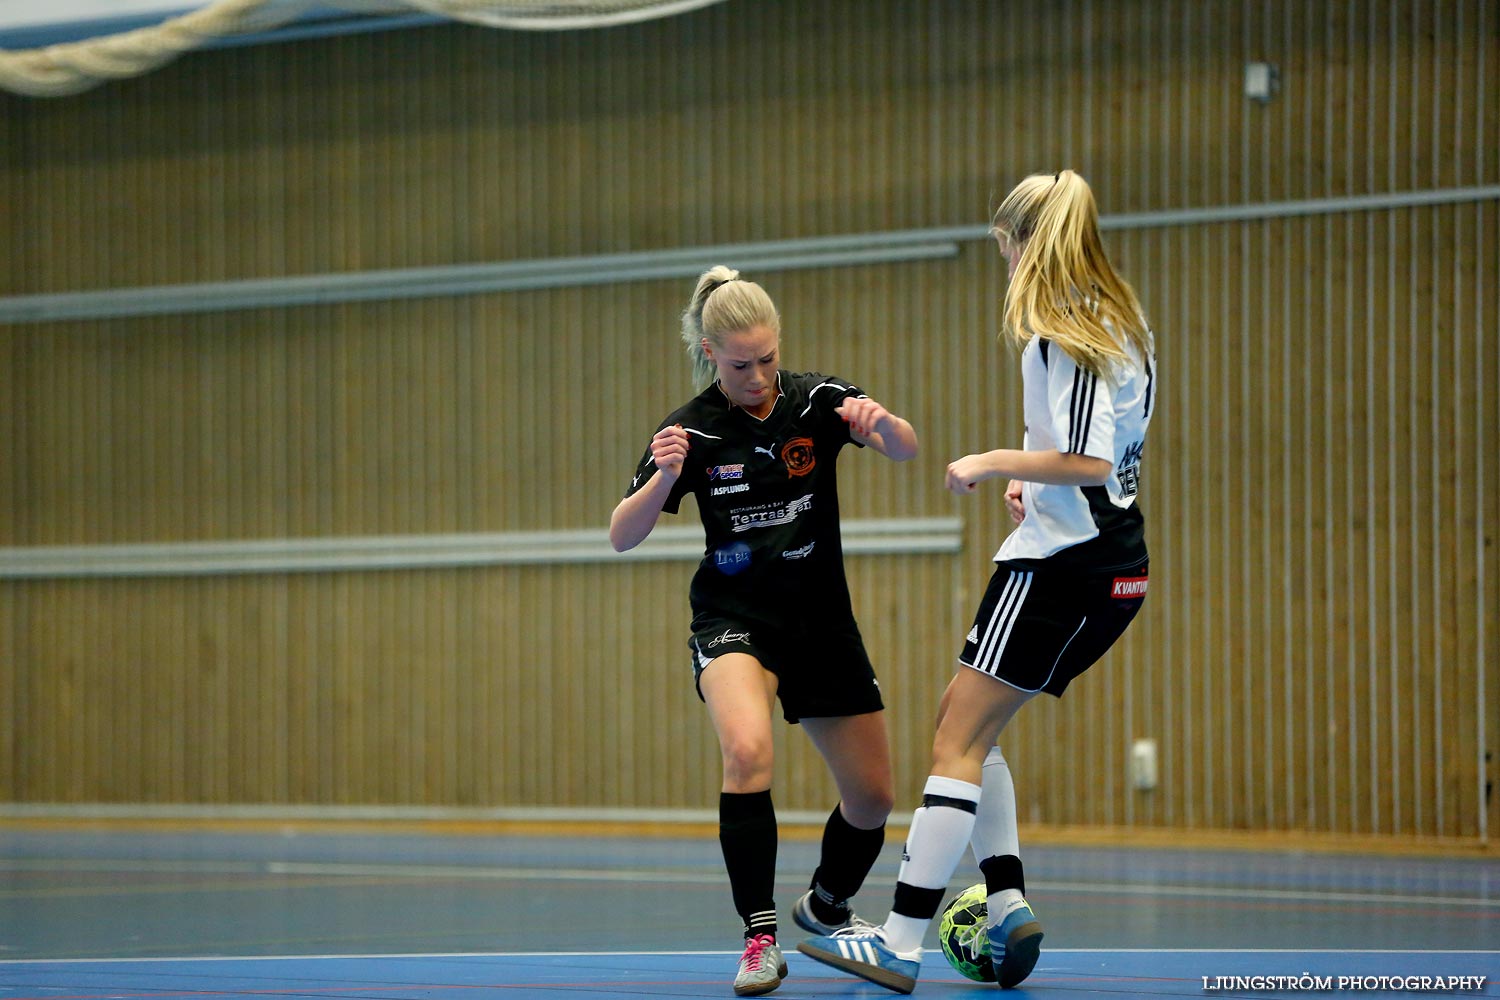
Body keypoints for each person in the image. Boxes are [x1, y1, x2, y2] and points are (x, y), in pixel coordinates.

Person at [798, 169, 1156, 994]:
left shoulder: (1056, 332)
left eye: (1005, 249)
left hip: (1059, 569)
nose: (1005, 266)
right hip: (1114, 564)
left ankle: (898, 937)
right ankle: (1005, 906)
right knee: (968, 730)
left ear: (1029, 245)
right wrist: (1036, 482)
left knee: (954, 743)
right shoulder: (1124, 321)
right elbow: (1111, 456)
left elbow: (1093, 458)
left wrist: (988, 459)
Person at [610, 265, 920, 996]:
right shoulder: (687, 431)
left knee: (873, 799)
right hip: (733, 620)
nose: (757, 377)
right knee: (747, 753)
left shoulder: (816, 400)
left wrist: (883, 426)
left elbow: (906, 448)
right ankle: (758, 940)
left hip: (820, 622)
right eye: (741, 364)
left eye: (767, 360)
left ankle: (825, 904)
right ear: (710, 353)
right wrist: (661, 479)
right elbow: (622, 535)